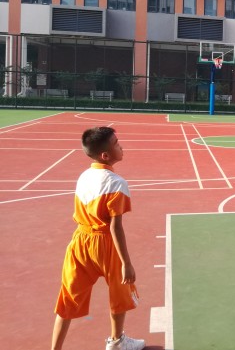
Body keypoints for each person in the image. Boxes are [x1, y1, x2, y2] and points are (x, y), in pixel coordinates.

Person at [51, 127, 144, 350]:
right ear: (105, 155)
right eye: (116, 143)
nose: (121, 146)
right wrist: (127, 263)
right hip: (105, 244)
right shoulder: (117, 183)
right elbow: (115, 227)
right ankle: (116, 341)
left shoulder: (84, 176)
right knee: (119, 293)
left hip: (80, 241)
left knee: (68, 297)